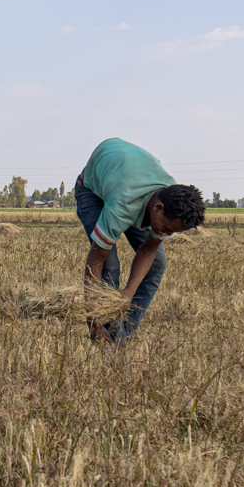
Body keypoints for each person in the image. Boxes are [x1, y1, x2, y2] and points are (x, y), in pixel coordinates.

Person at [73, 137, 205, 344]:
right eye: (167, 229)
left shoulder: (172, 199)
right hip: (92, 190)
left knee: (157, 264)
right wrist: (93, 324)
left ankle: (122, 336)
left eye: (173, 232)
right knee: (109, 265)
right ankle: (108, 340)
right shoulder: (122, 206)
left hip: (129, 182)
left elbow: (149, 250)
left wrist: (129, 292)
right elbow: (95, 262)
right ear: (158, 208)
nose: (167, 234)